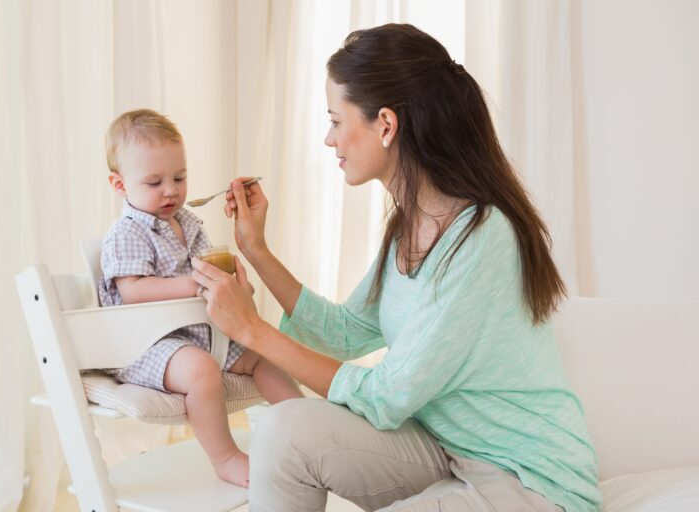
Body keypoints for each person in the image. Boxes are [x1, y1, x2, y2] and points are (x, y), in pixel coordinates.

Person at [190, 24, 602, 511]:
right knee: (284, 430)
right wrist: (256, 249)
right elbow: (345, 332)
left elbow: (388, 396)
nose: (329, 139)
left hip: (527, 478)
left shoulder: (482, 238)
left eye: (336, 120)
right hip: (442, 449)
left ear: (385, 124)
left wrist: (252, 330)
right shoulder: (410, 226)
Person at [98, 109, 303, 488]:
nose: (171, 190)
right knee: (200, 370)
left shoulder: (189, 222)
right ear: (120, 185)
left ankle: (307, 430)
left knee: (265, 352)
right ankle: (225, 458)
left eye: (179, 177)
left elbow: (211, 267)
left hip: (195, 333)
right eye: (154, 181)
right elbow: (134, 291)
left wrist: (230, 286)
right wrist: (198, 284)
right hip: (143, 344)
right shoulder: (127, 232)